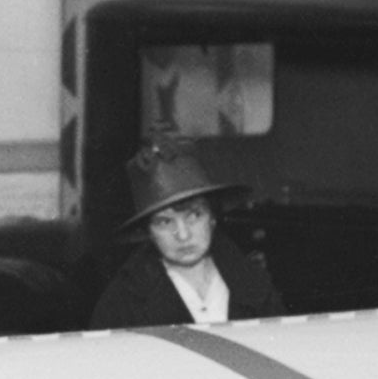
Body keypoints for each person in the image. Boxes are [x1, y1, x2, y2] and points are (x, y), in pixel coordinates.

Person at [89, 136, 269, 328]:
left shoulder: (253, 281)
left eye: (194, 215)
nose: (183, 235)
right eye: (164, 222)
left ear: (213, 217)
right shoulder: (121, 302)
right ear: (148, 231)